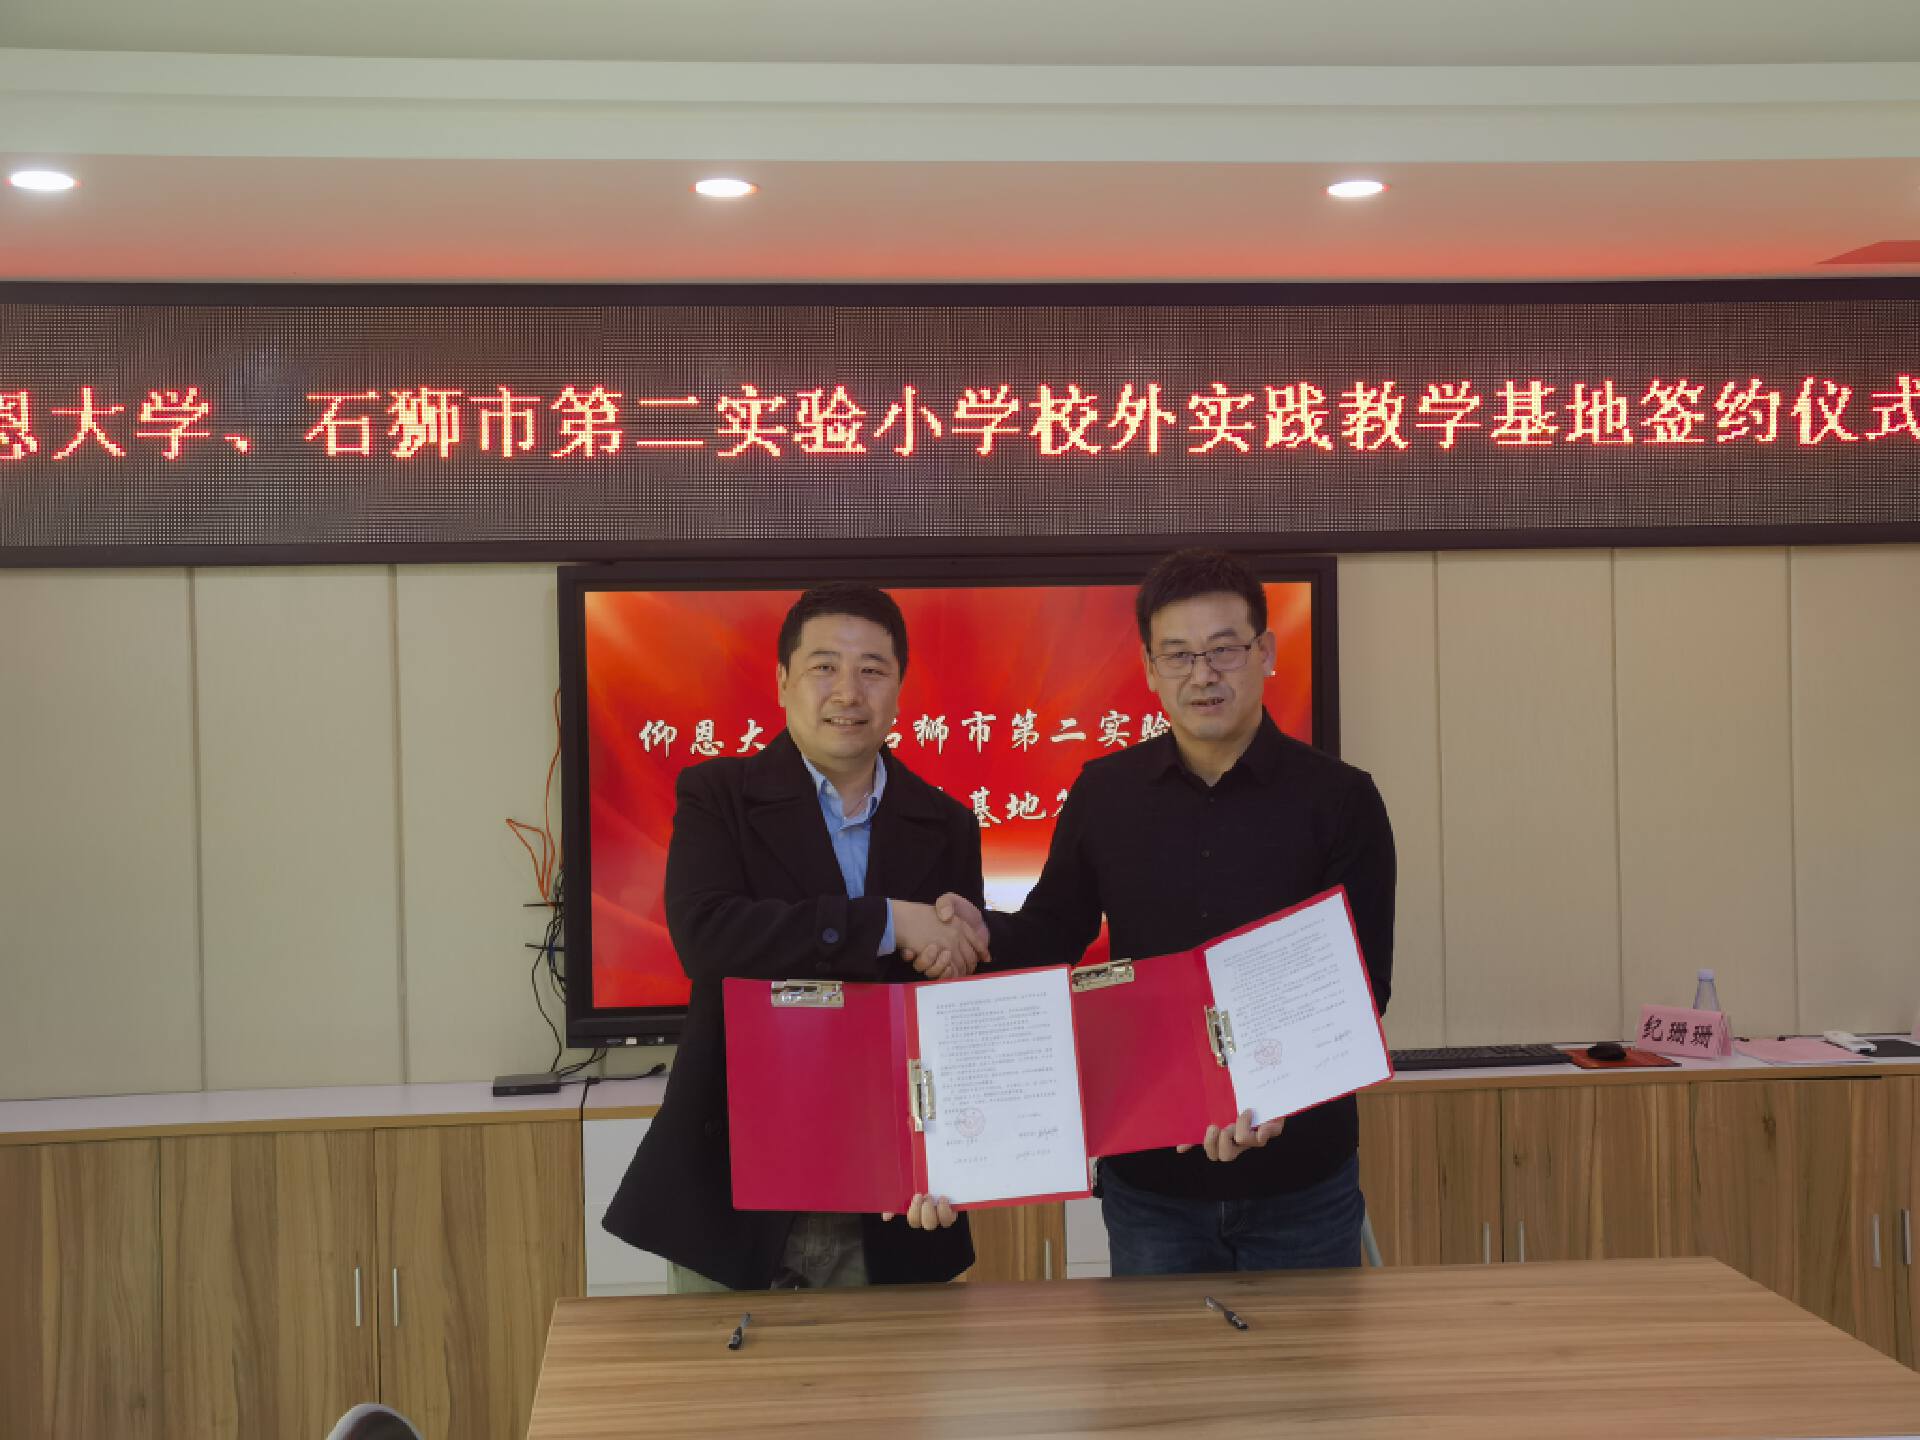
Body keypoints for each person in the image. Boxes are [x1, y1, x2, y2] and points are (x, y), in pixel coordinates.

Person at [937, 548, 1395, 1274]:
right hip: (1154, 1182)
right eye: (1177, 655)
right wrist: (978, 931)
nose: (1202, 675)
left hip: (1301, 1176)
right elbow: (1054, 932)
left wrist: (1268, 1092)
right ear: (1150, 669)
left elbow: (1363, 985)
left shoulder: (1341, 800)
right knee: (1158, 1353)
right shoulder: (1106, 794)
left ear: (1266, 653)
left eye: (1223, 650)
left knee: (1311, 1356)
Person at [603, 582, 988, 1291]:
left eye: (872, 669)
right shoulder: (717, 796)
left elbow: (949, 1018)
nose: (848, 692)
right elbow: (708, 938)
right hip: (735, 1198)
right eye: (824, 667)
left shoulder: (948, 824)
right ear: (783, 681)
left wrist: (952, 1159)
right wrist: (887, 922)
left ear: (899, 688)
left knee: (896, 1370)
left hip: (892, 1203)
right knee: (724, 1370)